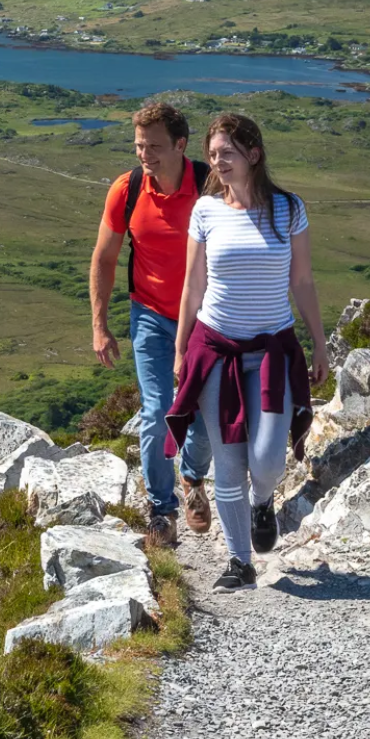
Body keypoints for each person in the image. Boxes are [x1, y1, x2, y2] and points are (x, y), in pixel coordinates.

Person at [167, 112, 329, 591]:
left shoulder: (289, 209)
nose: (218, 161)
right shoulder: (205, 211)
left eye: (227, 153)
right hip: (215, 350)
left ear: (253, 155)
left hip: (272, 351)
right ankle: (240, 562)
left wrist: (319, 342)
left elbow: (302, 280)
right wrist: (181, 350)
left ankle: (264, 501)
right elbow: (193, 285)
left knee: (266, 460)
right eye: (213, 154)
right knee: (228, 462)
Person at [90, 102, 214, 548]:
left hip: (207, 318)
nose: (145, 154)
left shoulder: (209, 187)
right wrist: (99, 325)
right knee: (158, 411)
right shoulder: (128, 189)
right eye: (140, 145)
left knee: (204, 413)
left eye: (155, 146)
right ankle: (162, 511)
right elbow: (104, 258)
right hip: (150, 315)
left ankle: (193, 477)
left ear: (181, 144)